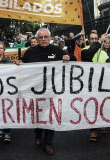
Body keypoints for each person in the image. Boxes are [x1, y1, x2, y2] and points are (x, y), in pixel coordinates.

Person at [19, 28, 72, 156]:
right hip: (36, 92)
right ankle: (38, 133)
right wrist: (19, 63)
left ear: (50, 38)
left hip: (53, 91)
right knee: (38, 117)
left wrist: (67, 57)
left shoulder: (57, 51)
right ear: (37, 39)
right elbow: (22, 67)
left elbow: (70, 61)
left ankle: (48, 144)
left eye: (46, 37)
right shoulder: (30, 52)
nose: (43, 39)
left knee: (51, 117)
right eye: (41, 37)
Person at [81, 32, 108, 141]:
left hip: (102, 83)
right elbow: (89, 54)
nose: (94, 40)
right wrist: (100, 42)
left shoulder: (103, 53)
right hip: (89, 84)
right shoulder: (85, 51)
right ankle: (93, 130)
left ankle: (102, 123)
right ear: (88, 40)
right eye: (92, 39)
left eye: (96, 38)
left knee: (103, 104)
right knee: (92, 106)